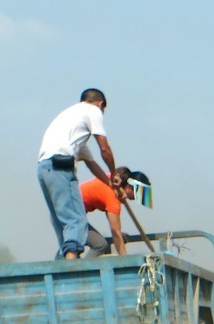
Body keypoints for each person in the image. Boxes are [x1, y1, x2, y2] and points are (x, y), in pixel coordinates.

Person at [36, 88, 120, 260]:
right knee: (76, 221)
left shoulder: (71, 122)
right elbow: (104, 148)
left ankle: (63, 266)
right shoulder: (93, 110)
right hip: (61, 167)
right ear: (100, 104)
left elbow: (91, 164)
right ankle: (71, 267)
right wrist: (114, 173)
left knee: (64, 224)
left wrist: (110, 183)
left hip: (44, 168)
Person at [81, 168, 152, 257]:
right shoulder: (113, 196)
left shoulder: (112, 183)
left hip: (67, 209)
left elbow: (114, 226)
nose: (135, 198)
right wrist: (126, 262)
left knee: (74, 245)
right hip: (69, 212)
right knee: (100, 245)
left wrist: (118, 235)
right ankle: (80, 271)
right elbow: (115, 232)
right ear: (129, 187)